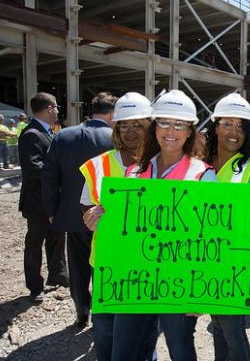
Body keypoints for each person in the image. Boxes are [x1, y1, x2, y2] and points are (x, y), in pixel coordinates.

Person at [110, 89, 216, 361]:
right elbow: (122, 234)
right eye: (164, 122)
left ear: (190, 131)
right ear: (154, 127)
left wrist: (199, 293)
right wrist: (101, 218)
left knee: (180, 349)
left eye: (179, 124)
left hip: (179, 282)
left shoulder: (203, 175)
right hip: (136, 280)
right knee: (125, 350)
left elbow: (210, 239)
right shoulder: (133, 174)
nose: (171, 130)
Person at [79, 92, 152, 361]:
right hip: (108, 264)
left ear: (149, 126)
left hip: (147, 264)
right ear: (116, 128)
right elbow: (86, 207)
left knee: (144, 335)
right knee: (106, 333)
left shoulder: (160, 166)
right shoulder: (99, 166)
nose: (131, 132)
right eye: (124, 124)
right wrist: (89, 218)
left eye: (137, 124)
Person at [42, 92, 117, 328]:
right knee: (104, 265)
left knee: (78, 267)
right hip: (109, 217)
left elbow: (50, 175)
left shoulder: (64, 135)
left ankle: (81, 312)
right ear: (111, 114)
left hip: (74, 216)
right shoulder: (117, 138)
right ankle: (105, 317)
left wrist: (52, 209)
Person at [204, 92, 250, 361]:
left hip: (233, 268)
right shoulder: (200, 165)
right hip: (202, 262)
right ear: (215, 126)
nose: (233, 132)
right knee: (217, 326)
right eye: (227, 124)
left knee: (232, 330)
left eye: (240, 126)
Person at [18, 93, 67, 302]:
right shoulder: (31, 134)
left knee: (56, 240)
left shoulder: (48, 132)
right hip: (37, 203)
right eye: (56, 107)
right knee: (35, 245)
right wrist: (60, 172)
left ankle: (58, 276)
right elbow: (33, 168)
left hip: (53, 201)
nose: (58, 111)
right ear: (48, 108)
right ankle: (35, 286)